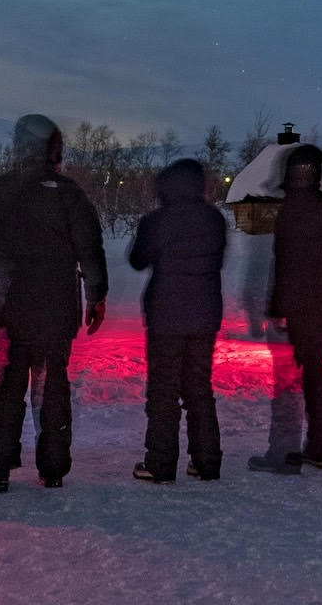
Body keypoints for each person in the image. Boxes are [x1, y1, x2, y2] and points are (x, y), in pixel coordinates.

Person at [0, 114, 107, 491]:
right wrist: (96, 295)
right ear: (54, 148)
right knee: (53, 382)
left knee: (9, 381)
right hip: (56, 306)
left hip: (12, 305)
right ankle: (53, 466)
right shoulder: (69, 194)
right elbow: (89, 248)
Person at [127, 158, 226, 483]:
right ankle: (207, 461)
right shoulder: (214, 220)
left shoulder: (157, 221)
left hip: (165, 316)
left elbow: (137, 259)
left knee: (164, 390)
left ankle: (160, 462)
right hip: (205, 315)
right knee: (199, 387)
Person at [256, 144, 322, 472]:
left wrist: (277, 306)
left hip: (302, 306)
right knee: (318, 375)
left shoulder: (293, 210)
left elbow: (285, 262)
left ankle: (300, 448)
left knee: (304, 378)